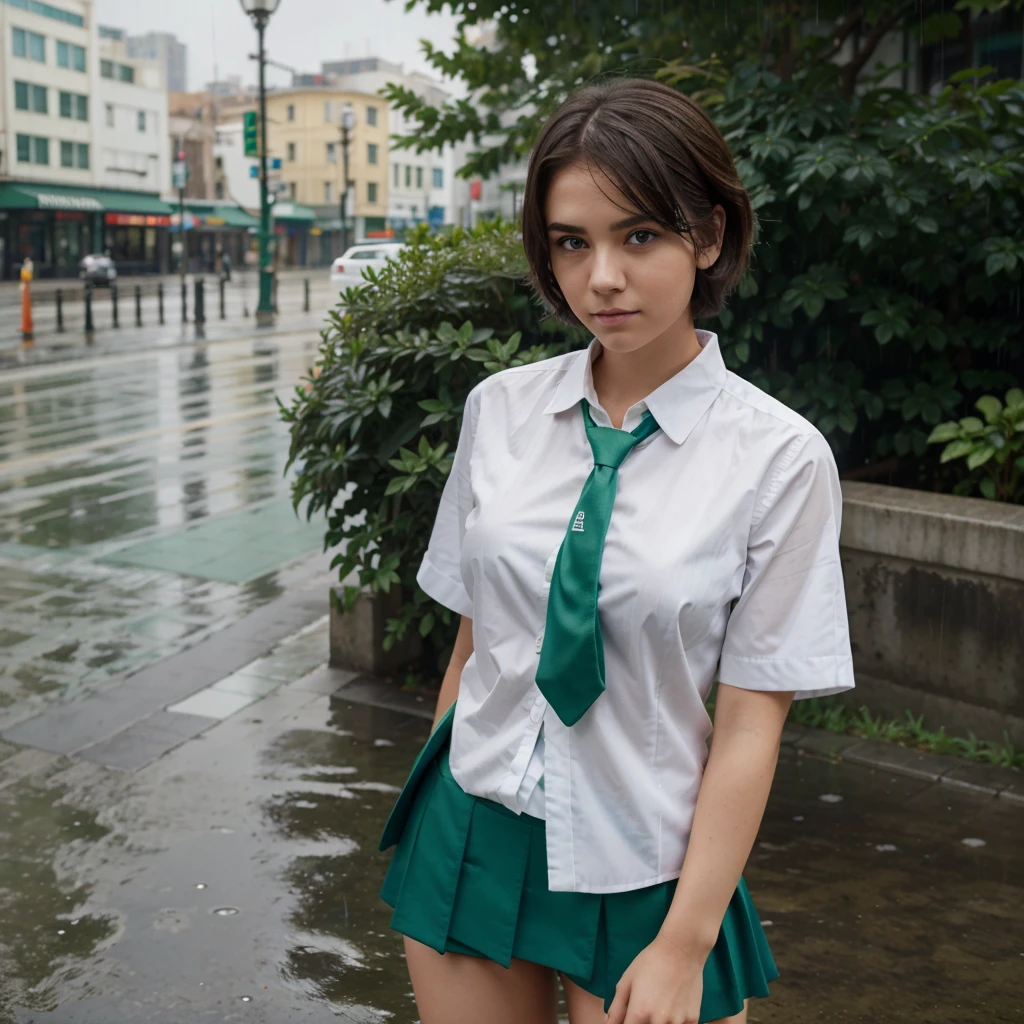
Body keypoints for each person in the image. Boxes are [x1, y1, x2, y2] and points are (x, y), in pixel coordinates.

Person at [378, 76, 855, 1024]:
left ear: (708, 236)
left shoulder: (779, 458)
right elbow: (476, 644)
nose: (601, 276)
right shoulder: (501, 411)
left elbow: (752, 724)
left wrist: (686, 941)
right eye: (571, 241)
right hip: (473, 822)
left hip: (647, 857)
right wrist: (441, 788)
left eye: (639, 236)